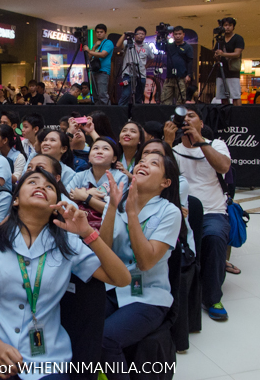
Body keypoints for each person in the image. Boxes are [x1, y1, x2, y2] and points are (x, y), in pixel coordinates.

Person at [0, 168, 130, 380]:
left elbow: (122, 279)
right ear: (15, 201)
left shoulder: (67, 243)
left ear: (55, 207)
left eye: (49, 186)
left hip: (49, 359)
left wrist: (87, 233)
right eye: (32, 182)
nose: (41, 186)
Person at [99, 149, 183, 379]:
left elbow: (145, 262)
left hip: (149, 296)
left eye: (154, 163)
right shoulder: (116, 199)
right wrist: (113, 207)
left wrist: (132, 213)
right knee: (82, 327)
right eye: (142, 161)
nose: (143, 164)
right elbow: (103, 251)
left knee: (106, 339)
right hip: (113, 288)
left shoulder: (170, 212)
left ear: (166, 182)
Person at [170, 105, 231, 321]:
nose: (186, 119)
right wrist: (167, 142)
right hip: (181, 213)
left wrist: (200, 141)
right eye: (182, 116)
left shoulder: (217, 144)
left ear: (202, 123)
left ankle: (212, 297)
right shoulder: (174, 150)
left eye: (191, 116)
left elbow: (223, 167)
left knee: (213, 238)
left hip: (212, 211)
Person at [66, 138, 128, 221]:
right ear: (89, 158)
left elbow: (117, 210)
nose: (99, 151)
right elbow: (65, 197)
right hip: (78, 222)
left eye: (105, 149)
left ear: (114, 159)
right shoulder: (79, 176)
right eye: (95, 148)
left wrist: (86, 197)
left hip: (108, 226)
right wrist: (88, 192)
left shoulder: (121, 178)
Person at [116, 27, 155, 105]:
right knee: (125, 95)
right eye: (138, 34)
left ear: (145, 36)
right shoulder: (128, 43)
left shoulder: (146, 47)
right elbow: (118, 45)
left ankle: (136, 115)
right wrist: (124, 34)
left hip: (141, 75)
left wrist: (145, 67)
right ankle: (121, 114)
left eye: (142, 34)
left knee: (139, 97)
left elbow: (152, 58)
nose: (140, 35)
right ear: (135, 35)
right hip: (128, 74)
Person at [157, 26, 193, 105]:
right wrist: (159, 36)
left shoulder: (188, 47)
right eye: (176, 34)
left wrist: (189, 75)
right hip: (169, 78)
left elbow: (190, 61)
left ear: (183, 34)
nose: (178, 36)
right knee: (164, 101)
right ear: (173, 35)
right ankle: (167, 117)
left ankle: (179, 117)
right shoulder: (170, 45)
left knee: (181, 101)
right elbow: (159, 47)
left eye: (179, 34)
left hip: (181, 78)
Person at [213, 17, 245, 106]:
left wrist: (223, 54)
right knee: (222, 96)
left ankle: (238, 115)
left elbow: (237, 54)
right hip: (221, 71)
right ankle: (225, 115)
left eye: (230, 25)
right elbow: (216, 52)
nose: (227, 27)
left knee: (235, 95)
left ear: (233, 27)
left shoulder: (238, 38)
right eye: (225, 25)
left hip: (233, 71)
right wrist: (216, 55)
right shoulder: (220, 40)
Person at [83, 23, 115, 105]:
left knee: (102, 95)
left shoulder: (108, 43)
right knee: (95, 96)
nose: (99, 34)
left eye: (101, 32)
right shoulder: (95, 44)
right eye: (97, 32)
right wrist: (94, 47)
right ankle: (97, 114)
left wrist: (89, 50)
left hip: (103, 71)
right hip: (94, 72)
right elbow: (89, 58)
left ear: (105, 33)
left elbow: (103, 54)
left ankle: (108, 114)